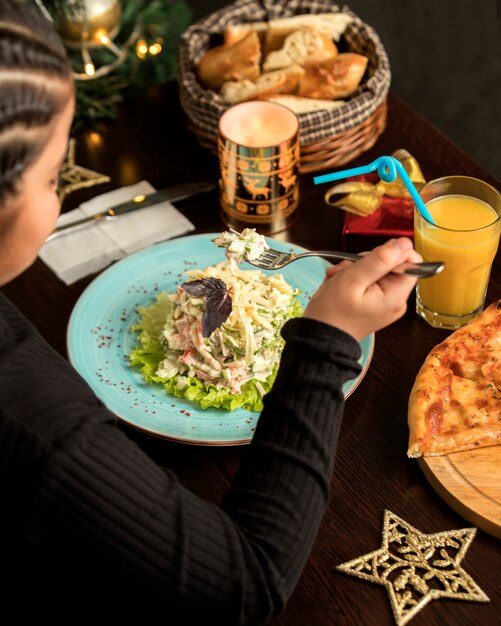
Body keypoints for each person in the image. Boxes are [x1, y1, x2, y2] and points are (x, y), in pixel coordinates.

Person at [0, 1, 423, 622]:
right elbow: (245, 583)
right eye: (49, 178)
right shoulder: (40, 433)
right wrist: (327, 340)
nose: (62, 195)